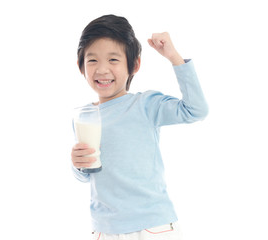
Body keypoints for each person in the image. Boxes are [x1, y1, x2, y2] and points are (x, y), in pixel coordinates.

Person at [71, 14, 208, 240]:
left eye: (113, 60)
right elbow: (87, 175)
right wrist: (77, 164)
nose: (102, 69)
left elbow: (196, 110)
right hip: (106, 229)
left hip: (152, 227)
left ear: (134, 65)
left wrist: (174, 57)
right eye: (93, 60)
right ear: (81, 67)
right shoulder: (84, 116)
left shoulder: (145, 105)